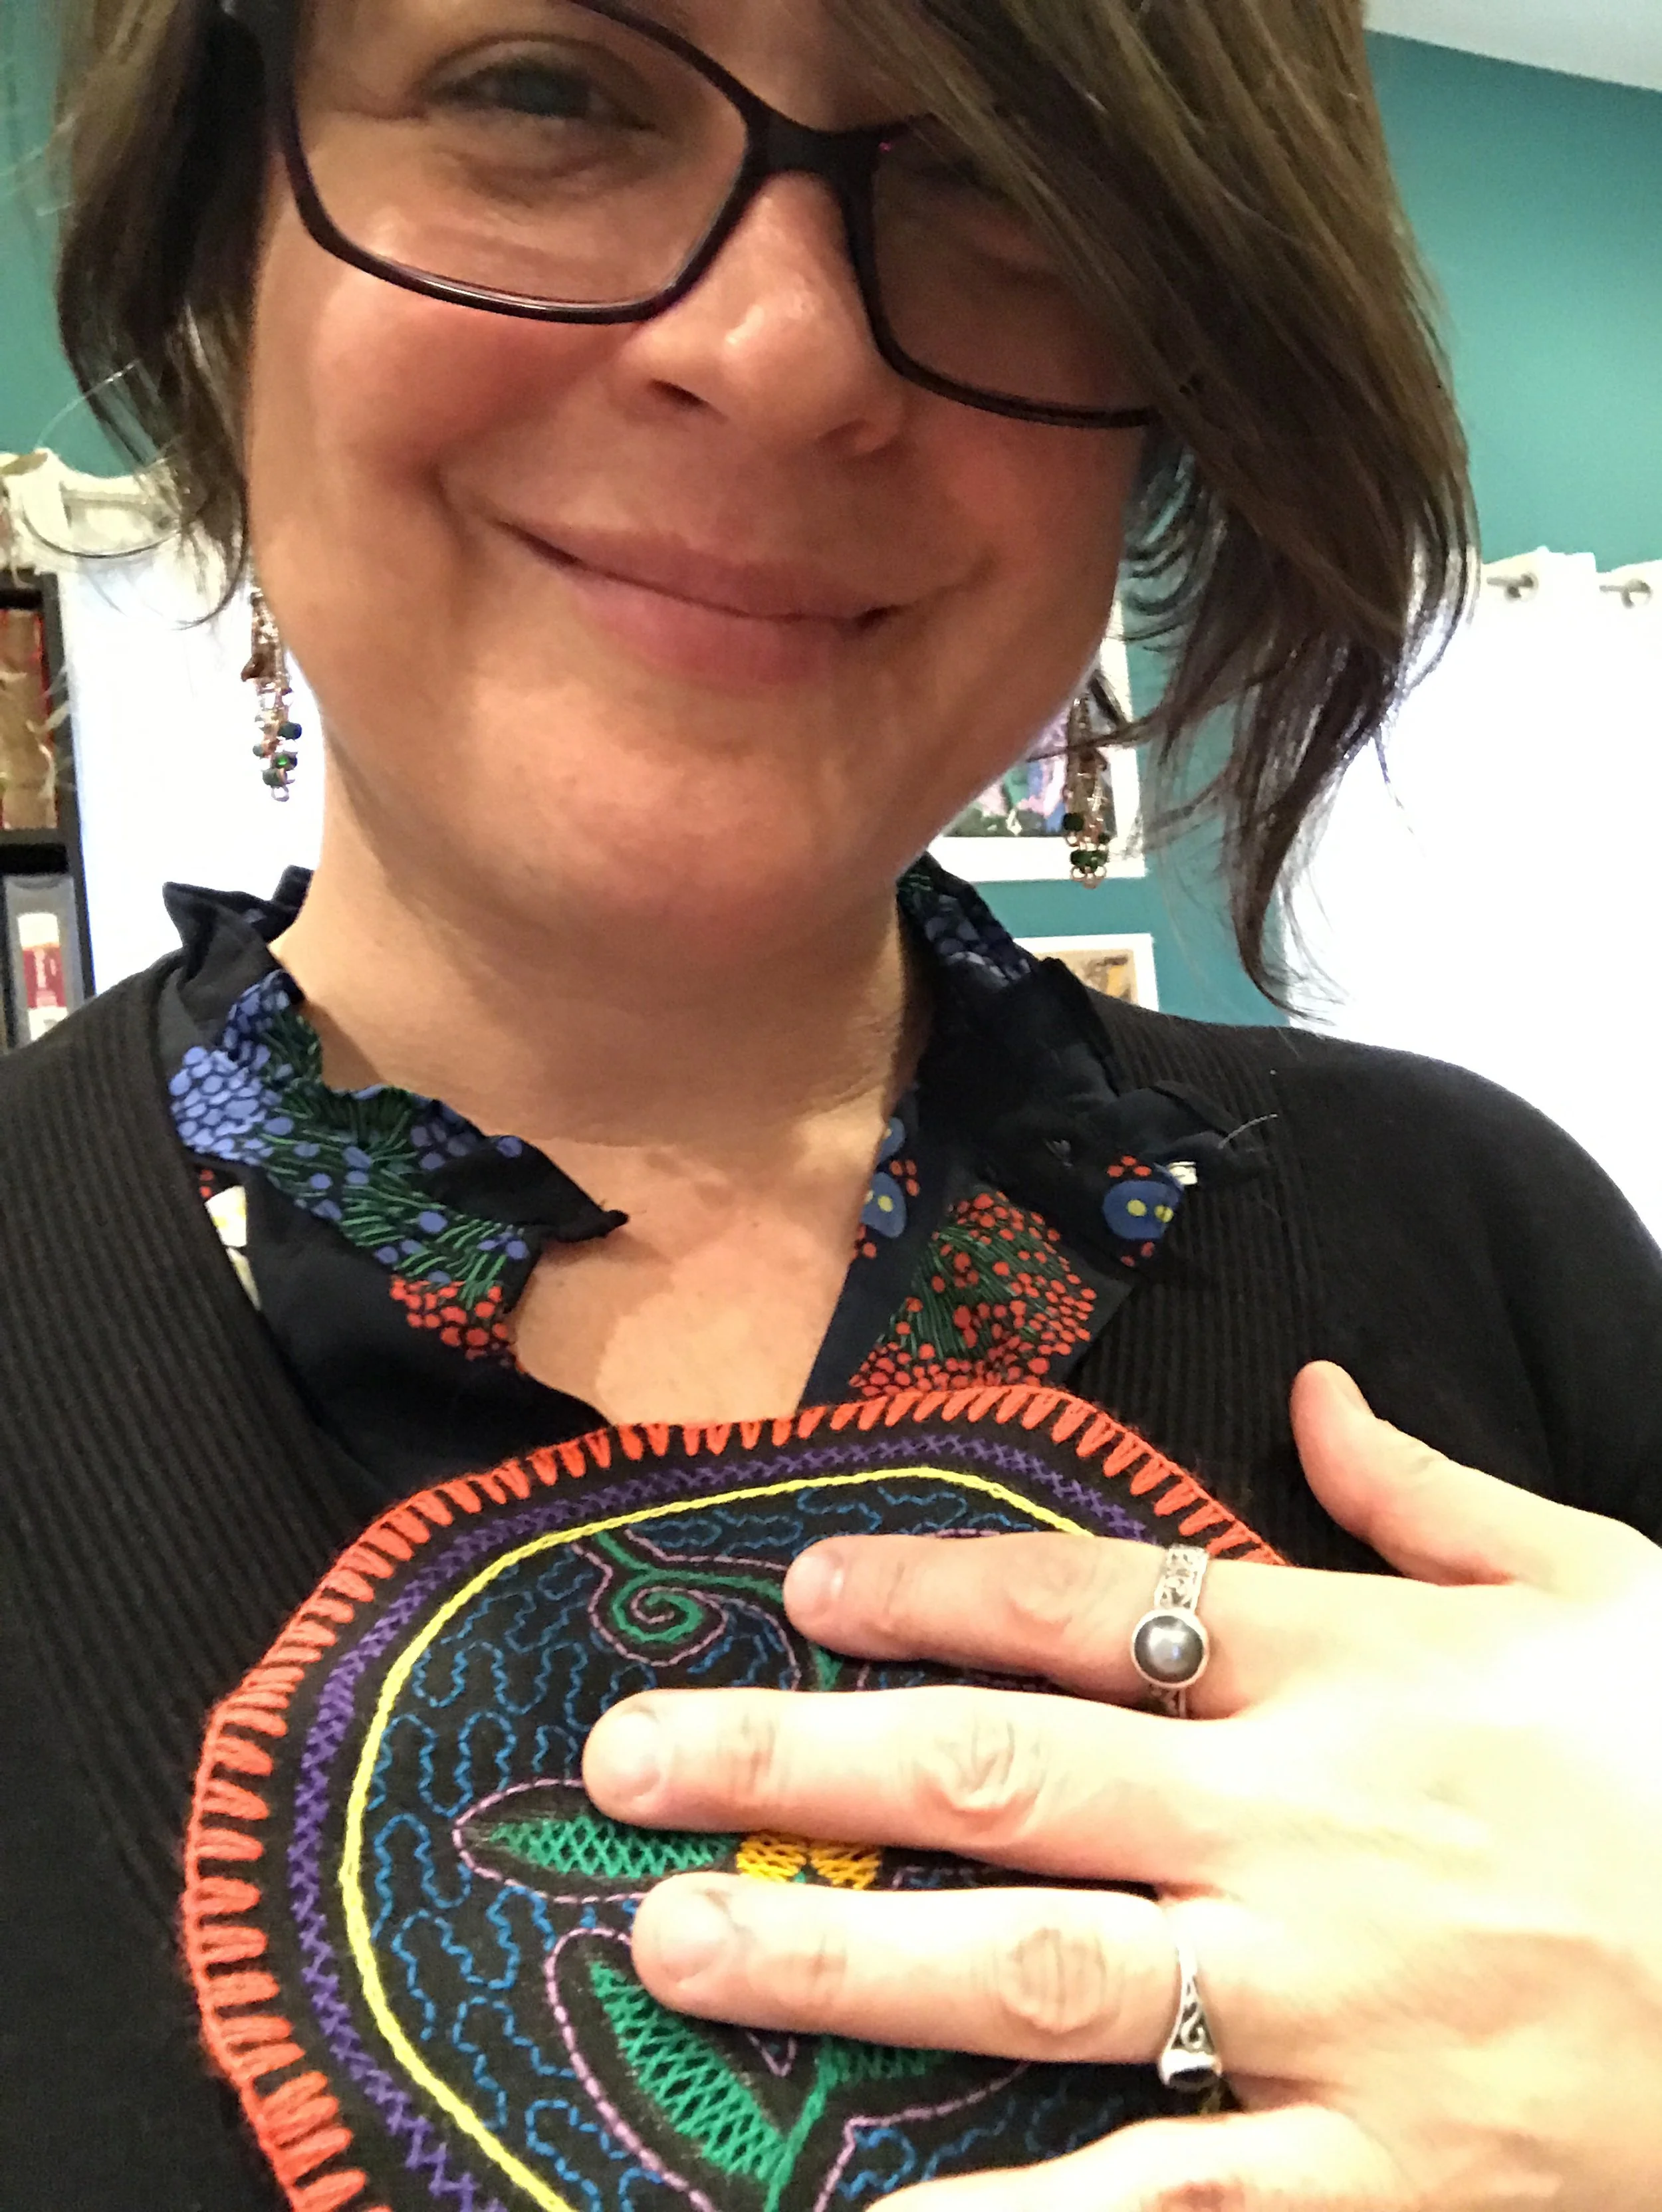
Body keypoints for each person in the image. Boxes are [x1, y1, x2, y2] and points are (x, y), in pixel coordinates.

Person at [3, 0, 1660, 2205]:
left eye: (993, 170)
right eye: (543, 92)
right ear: (223, 246)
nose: (778, 347)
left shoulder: (1482, 1244)